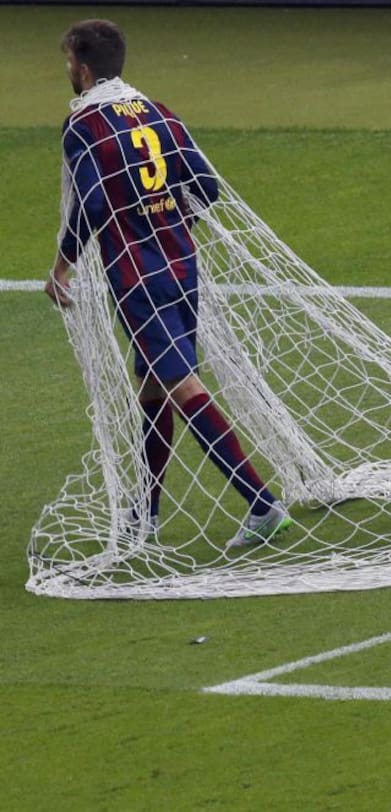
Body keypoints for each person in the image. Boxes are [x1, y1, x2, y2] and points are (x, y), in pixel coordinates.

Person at [45, 19, 292, 549]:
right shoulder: (158, 112)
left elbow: (92, 203)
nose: (67, 69)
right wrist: (170, 221)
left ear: (83, 70)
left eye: (68, 61)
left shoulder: (84, 125)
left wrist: (62, 266)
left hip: (138, 277)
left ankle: (262, 504)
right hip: (182, 263)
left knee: (182, 387)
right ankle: (147, 514)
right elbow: (205, 186)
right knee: (153, 385)